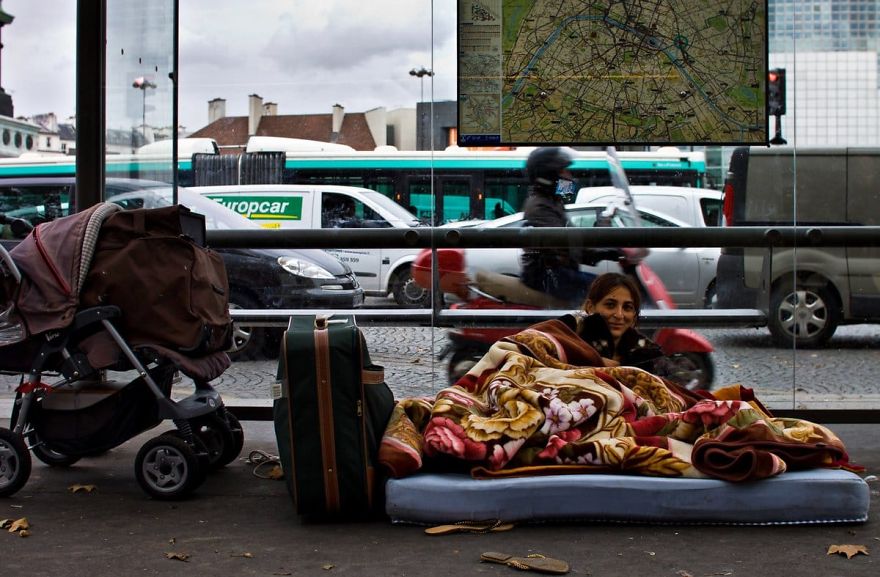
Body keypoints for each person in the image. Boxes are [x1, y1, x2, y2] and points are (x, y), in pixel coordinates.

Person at [520, 147, 617, 304]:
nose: (570, 177)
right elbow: (565, 246)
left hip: (557, 274)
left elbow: (571, 242)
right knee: (609, 291)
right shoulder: (540, 207)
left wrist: (607, 249)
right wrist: (607, 251)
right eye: (564, 171)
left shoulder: (552, 202)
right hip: (547, 277)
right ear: (549, 176)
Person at [561, 272, 664, 371]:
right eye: (610, 305)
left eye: (627, 307)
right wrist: (592, 361)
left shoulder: (649, 355)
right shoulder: (564, 332)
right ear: (590, 307)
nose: (619, 315)